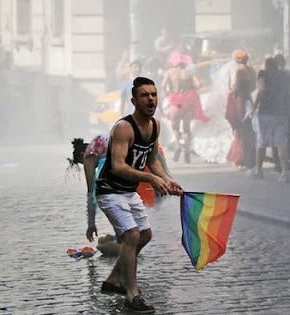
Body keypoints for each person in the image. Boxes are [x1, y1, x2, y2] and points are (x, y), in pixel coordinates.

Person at [93, 76, 183, 313]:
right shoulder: (123, 128)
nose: (151, 99)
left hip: (128, 192)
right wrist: (152, 179)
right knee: (132, 235)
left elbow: (152, 159)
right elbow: (119, 165)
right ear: (134, 100)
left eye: (153, 94)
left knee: (145, 235)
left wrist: (167, 179)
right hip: (110, 191)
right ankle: (132, 295)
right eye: (144, 95)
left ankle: (114, 279)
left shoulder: (155, 126)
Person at [162, 52, 210, 163]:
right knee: (186, 128)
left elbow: (163, 86)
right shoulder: (190, 73)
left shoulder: (170, 72)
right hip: (188, 101)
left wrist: (169, 93)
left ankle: (178, 145)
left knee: (175, 126)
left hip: (176, 101)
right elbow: (199, 85)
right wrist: (190, 88)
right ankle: (187, 149)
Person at [253, 57, 290, 182]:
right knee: (281, 143)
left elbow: (261, 90)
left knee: (262, 141)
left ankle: (259, 170)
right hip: (281, 112)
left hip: (266, 112)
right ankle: (284, 172)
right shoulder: (284, 75)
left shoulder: (263, 73)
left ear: (266, 65)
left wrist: (254, 106)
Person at [225, 50, 257, 172]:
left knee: (240, 128)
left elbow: (236, 87)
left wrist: (230, 91)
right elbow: (254, 86)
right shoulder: (252, 70)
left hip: (239, 100)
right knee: (248, 129)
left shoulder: (240, 71)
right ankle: (250, 158)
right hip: (248, 98)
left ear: (237, 60)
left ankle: (241, 158)